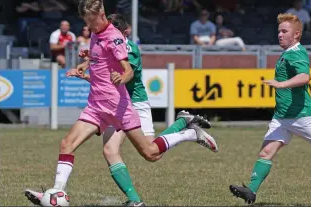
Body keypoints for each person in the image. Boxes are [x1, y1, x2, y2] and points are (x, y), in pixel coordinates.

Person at [24, 0, 218, 207]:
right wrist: (85, 65)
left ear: (101, 14)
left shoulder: (116, 38)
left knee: (151, 153)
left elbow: (128, 71)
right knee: (67, 144)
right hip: (96, 106)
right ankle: (57, 193)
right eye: (86, 22)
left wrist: (121, 76)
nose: (89, 27)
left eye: (91, 21)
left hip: (119, 107)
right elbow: (100, 58)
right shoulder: (96, 34)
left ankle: (188, 133)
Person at [68, 13, 210, 205]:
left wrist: (88, 72)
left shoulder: (129, 50)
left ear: (123, 33)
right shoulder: (106, 42)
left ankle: (185, 129)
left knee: (152, 154)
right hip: (114, 104)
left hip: (133, 102)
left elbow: (118, 77)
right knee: (110, 150)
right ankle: (135, 200)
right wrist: (86, 65)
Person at [229, 13, 311, 204]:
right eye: (279, 31)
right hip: (282, 117)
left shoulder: (297, 52)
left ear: (296, 35)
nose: (279, 34)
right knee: (265, 153)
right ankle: (251, 192)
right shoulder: (287, 52)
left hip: (300, 115)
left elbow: (305, 77)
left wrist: (281, 84)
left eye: (284, 31)